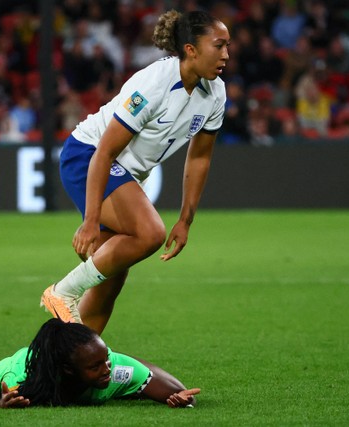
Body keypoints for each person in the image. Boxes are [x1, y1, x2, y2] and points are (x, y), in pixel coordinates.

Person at [40, 10, 229, 334]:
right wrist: (90, 220)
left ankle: (73, 367)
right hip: (88, 156)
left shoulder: (215, 94)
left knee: (109, 283)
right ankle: (62, 292)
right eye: (219, 45)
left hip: (122, 172)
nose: (225, 54)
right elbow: (105, 151)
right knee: (150, 233)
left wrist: (185, 220)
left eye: (228, 46)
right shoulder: (154, 84)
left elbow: (199, 158)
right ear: (191, 49)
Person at [0, 318, 200, 408]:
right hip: (22, 368)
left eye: (105, 360)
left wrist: (178, 399)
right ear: (68, 370)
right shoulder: (26, 383)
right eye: (95, 367)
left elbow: (178, 391)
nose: (107, 369)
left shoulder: (114, 368)